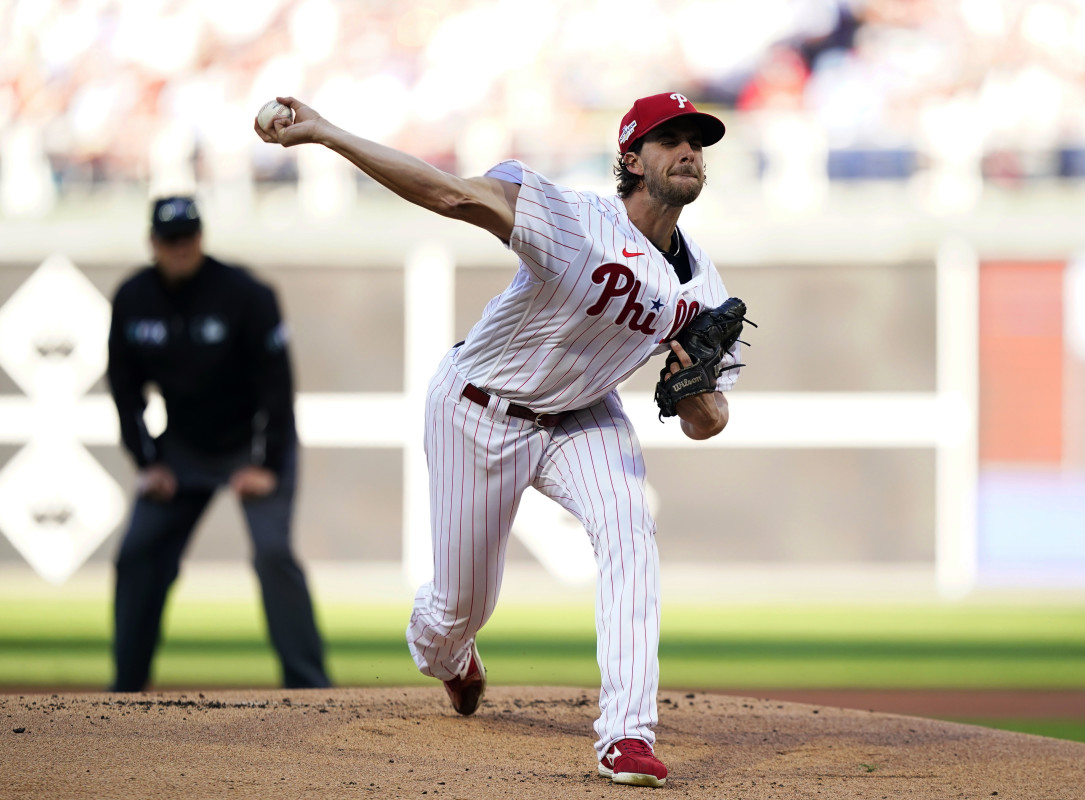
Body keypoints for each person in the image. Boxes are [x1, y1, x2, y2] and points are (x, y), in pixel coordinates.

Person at [256, 90, 743, 788]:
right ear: (631, 158)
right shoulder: (575, 221)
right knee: (460, 608)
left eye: (698, 139)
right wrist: (327, 133)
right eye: (671, 139)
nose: (690, 150)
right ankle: (449, 654)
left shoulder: (705, 287)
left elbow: (709, 422)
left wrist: (697, 393)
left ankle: (627, 735)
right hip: (481, 408)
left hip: (582, 415)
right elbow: (454, 195)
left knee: (631, 525)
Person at [105, 195, 331, 693]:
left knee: (273, 553)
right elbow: (125, 392)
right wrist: (147, 462)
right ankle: (124, 689)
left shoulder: (247, 294)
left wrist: (266, 464)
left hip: (254, 441)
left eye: (188, 237)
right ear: (153, 243)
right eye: (169, 239)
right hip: (183, 448)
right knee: (138, 552)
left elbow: (277, 386)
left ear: (201, 238)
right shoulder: (132, 299)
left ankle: (312, 689)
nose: (179, 247)